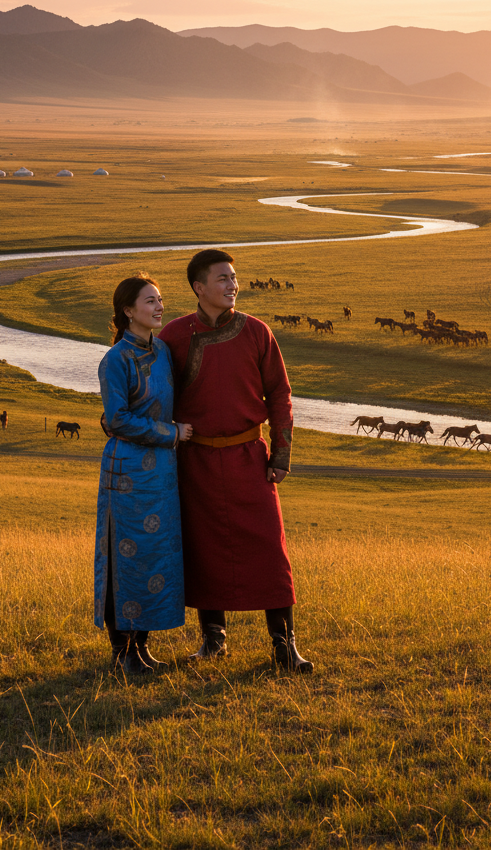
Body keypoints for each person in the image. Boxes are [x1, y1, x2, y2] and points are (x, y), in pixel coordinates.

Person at [159, 249, 313, 672]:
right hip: (195, 462)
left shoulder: (256, 332)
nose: (232, 285)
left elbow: (280, 395)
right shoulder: (172, 336)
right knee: (203, 549)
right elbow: (152, 394)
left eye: (234, 277)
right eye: (222, 279)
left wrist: (280, 455)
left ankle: (284, 646)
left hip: (249, 457)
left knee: (269, 549)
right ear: (199, 287)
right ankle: (213, 641)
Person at [94, 274, 193, 675]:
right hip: (127, 474)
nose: (159, 307)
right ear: (128, 311)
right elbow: (116, 419)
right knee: (124, 556)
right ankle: (122, 652)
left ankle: (142, 647)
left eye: (160, 299)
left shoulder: (164, 351)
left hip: (163, 475)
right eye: (149, 301)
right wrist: (172, 433)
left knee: (155, 557)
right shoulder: (115, 359)